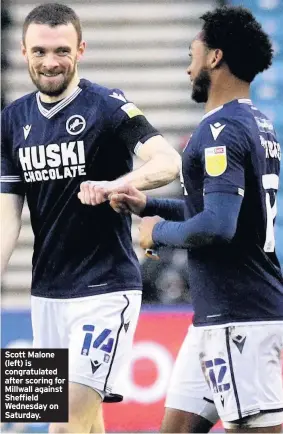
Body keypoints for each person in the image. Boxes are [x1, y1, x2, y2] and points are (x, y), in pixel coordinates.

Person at [0, 3, 181, 433]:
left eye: (61, 50)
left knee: (65, 424)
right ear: (23, 52)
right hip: (44, 295)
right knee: (77, 423)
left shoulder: (109, 106)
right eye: (40, 51)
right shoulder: (11, 120)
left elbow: (168, 161)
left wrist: (120, 183)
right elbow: (7, 216)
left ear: (80, 49)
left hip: (104, 290)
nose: (50, 62)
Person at [108, 6, 283, 433]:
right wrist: (147, 205)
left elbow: (217, 227)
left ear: (214, 57)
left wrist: (158, 233)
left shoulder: (219, 131)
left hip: (238, 316)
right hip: (215, 316)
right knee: (178, 429)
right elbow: (222, 213)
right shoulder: (258, 123)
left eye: (192, 54)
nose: (188, 68)